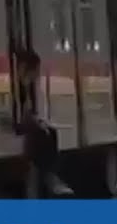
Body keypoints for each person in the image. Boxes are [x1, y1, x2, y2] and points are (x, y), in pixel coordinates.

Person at [12, 49, 72, 196]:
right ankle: (49, 176)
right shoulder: (18, 85)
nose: (36, 76)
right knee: (45, 134)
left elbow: (26, 111)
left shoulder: (24, 86)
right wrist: (35, 122)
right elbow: (21, 112)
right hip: (14, 123)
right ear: (24, 68)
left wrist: (37, 121)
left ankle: (50, 175)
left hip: (22, 122)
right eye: (35, 71)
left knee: (49, 131)